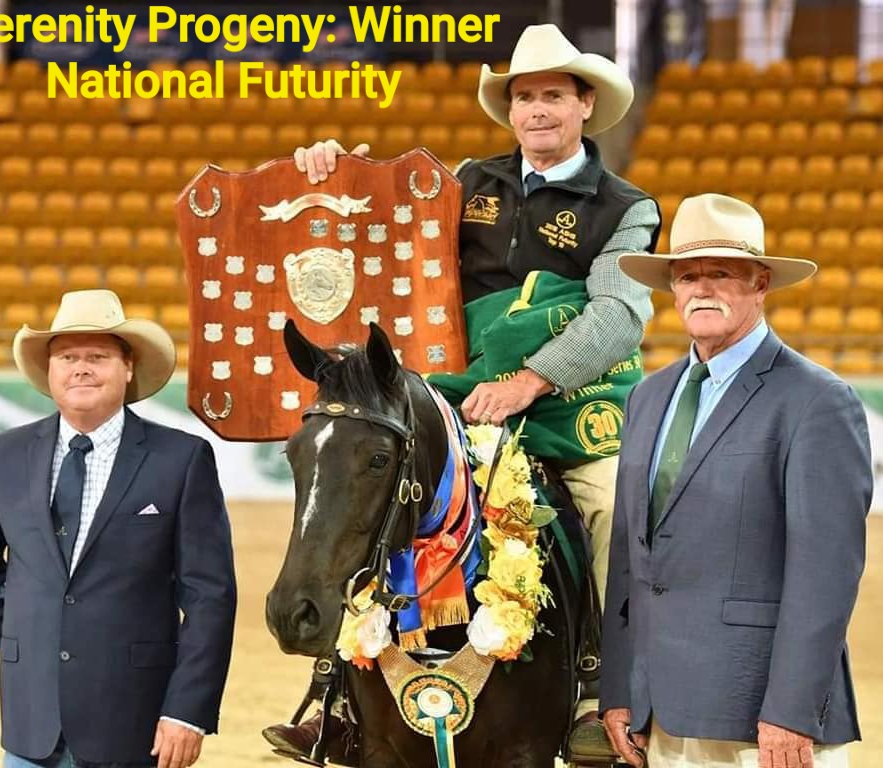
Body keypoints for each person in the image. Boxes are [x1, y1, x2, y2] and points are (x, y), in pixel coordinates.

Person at [266, 22, 661, 764]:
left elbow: (617, 314)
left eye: (553, 95)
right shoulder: (466, 182)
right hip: (457, 399)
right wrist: (331, 172)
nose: (537, 110)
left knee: (612, 507)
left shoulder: (626, 206)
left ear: (584, 105)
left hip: (574, 405)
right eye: (524, 97)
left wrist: (529, 381)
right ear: (510, 110)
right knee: (376, 491)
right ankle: (337, 694)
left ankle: (599, 690)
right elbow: (382, 221)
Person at [599, 193, 872, 768]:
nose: (702, 289)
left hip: (762, 725)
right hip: (660, 716)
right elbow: (629, 560)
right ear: (672, 290)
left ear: (760, 284)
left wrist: (792, 711)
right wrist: (619, 689)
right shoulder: (647, 397)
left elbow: (825, 575)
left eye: (721, 274)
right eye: (687, 276)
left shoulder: (817, 401)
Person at [0, 290, 238, 768]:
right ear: (50, 371)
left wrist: (187, 711)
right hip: (31, 728)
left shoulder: (182, 459)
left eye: (98, 357)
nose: (81, 368)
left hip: (137, 724)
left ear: (128, 367)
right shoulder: (3, 454)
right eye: (67, 357)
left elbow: (211, 596)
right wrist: (42, 642)